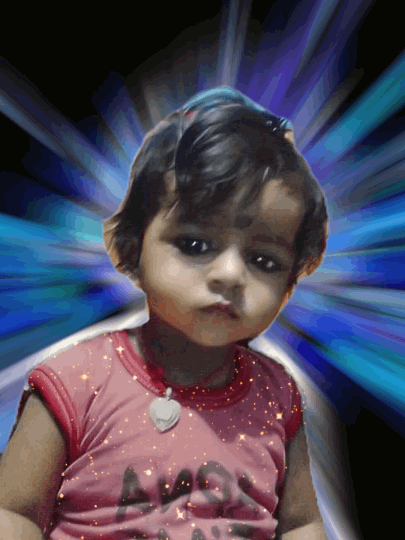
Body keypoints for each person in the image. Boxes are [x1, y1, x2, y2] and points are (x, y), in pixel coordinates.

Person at [0, 87, 329, 539]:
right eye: (195, 244)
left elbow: (300, 523)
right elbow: (14, 512)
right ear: (130, 247)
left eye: (263, 260)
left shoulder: (277, 395)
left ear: (290, 284)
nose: (231, 274)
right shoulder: (76, 382)